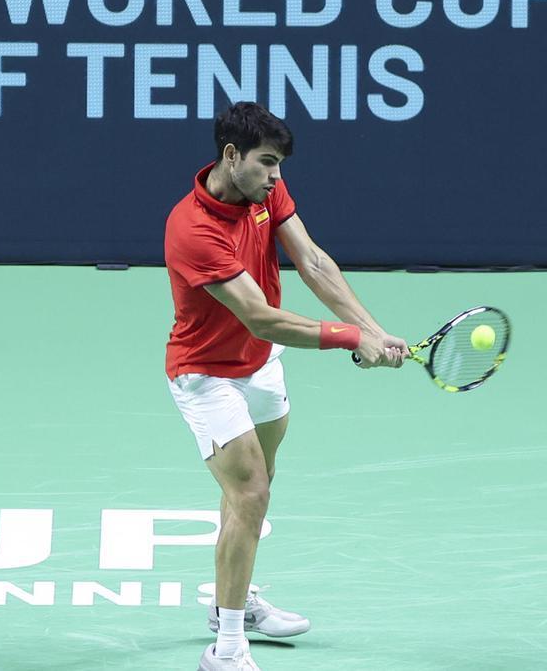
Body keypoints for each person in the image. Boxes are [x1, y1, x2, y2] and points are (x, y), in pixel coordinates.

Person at [164, 102, 410, 670]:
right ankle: (225, 649)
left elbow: (315, 264)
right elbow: (263, 316)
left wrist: (374, 329)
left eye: (279, 165)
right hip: (206, 374)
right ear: (231, 156)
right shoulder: (193, 228)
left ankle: (237, 601)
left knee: (253, 489)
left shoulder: (263, 191)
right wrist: (351, 339)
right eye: (267, 163)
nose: (276, 176)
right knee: (249, 493)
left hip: (260, 365)